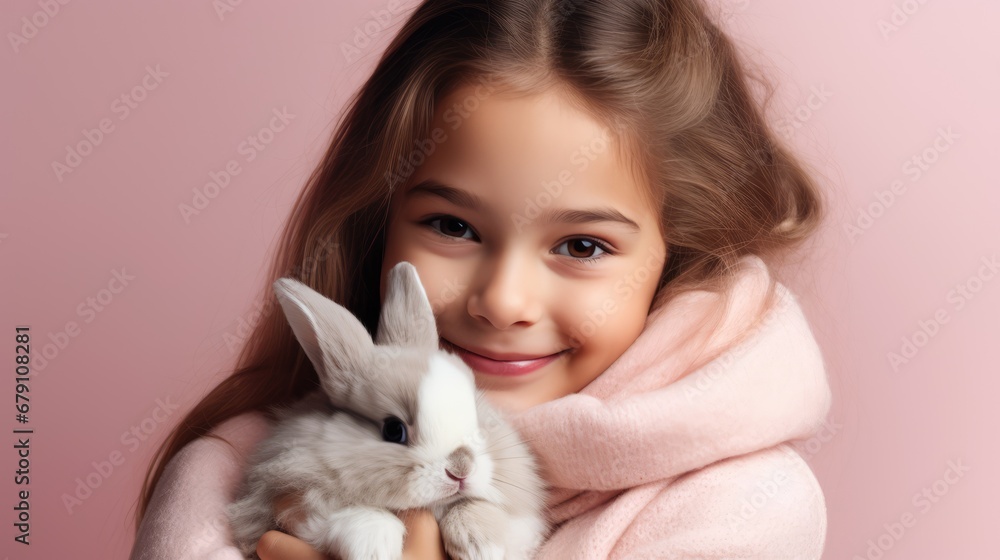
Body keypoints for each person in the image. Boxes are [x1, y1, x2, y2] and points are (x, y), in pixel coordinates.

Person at [129, 0, 834, 558]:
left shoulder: (743, 509)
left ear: (675, 258)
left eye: (582, 245)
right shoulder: (234, 471)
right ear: (379, 223)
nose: (502, 301)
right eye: (453, 227)